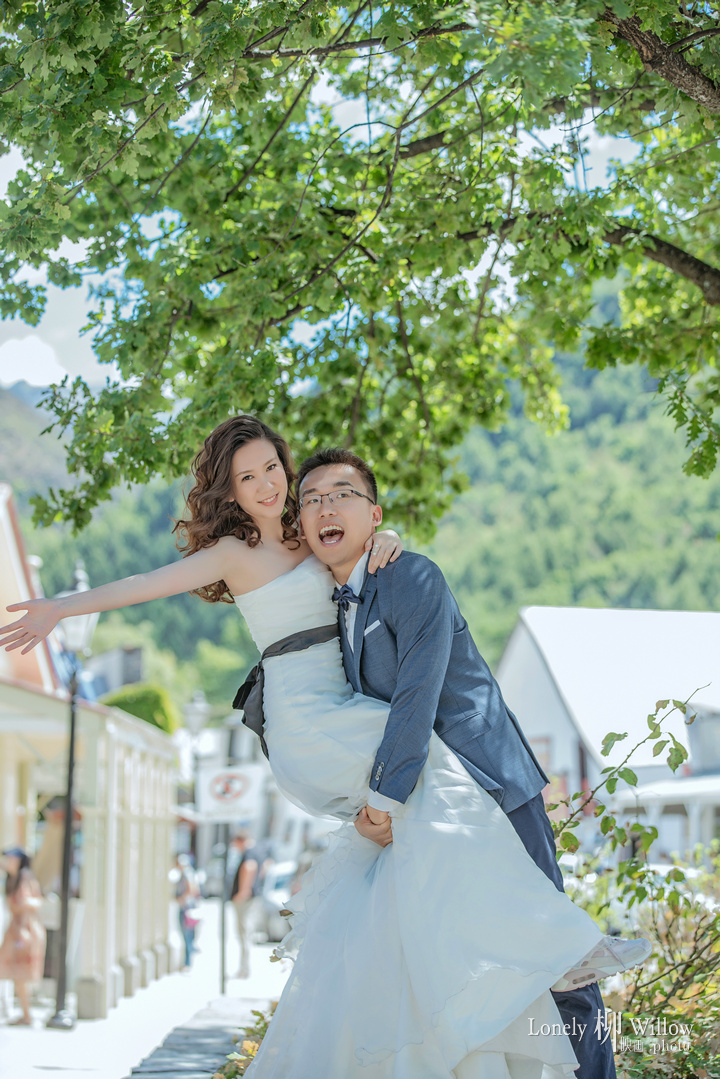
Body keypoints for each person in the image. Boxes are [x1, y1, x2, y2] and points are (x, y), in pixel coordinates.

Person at [1, 415, 647, 1077]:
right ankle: (554, 941)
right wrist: (61, 608)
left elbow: (360, 552)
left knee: (423, 843)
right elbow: (144, 584)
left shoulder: (313, 539)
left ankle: (506, 967)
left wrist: (386, 536)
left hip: (357, 714)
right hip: (309, 718)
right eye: (247, 477)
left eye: (272, 469)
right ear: (229, 489)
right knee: (422, 766)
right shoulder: (233, 551)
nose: (266, 485)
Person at [0, 848, 46, 1026]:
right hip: (17, 930)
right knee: (17, 973)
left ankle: (27, 1015)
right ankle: (26, 1013)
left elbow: (34, 902)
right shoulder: (12, 878)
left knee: (22, 973)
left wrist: (23, 929)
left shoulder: (24, 877)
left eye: (11, 858)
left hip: (25, 930)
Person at [229, 833, 273, 979]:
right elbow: (265, 866)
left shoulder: (249, 852)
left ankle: (244, 969)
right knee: (246, 933)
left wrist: (244, 890)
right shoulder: (259, 850)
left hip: (246, 899)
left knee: (243, 933)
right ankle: (244, 968)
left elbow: (249, 867)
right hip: (253, 897)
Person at [175, 854, 200, 970]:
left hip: (186, 907)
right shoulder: (190, 873)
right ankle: (187, 961)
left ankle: (187, 962)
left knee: (187, 936)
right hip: (189, 907)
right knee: (188, 935)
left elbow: (192, 890)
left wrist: (181, 899)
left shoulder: (187, 873)